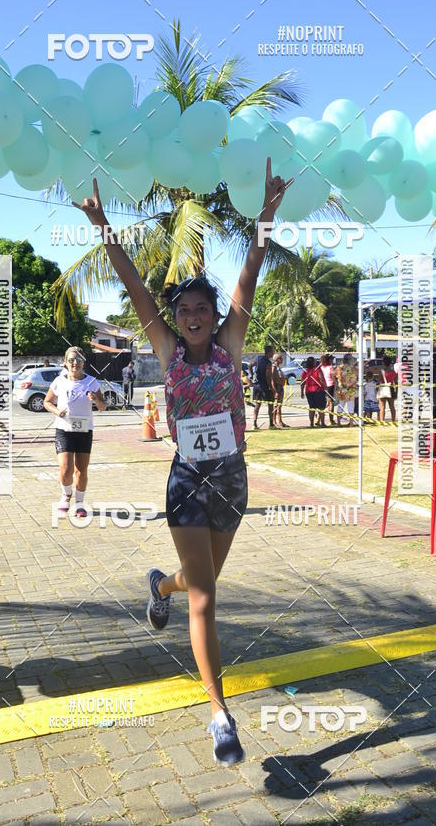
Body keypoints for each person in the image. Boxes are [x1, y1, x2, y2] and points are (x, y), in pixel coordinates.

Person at [73, 160, 293, 766]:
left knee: (200, 584)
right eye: (184, 309)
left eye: (203, 307)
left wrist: (265, 221)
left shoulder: (230, 345)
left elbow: (249, 274)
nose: (193, 315)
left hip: (232, 480)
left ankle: (157, 585)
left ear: (216, 315)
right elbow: (136, 286)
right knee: (206, 600)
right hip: (186, 483)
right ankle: (219, 714)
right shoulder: (167, 350)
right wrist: (102, 228)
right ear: (174, 319)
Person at [43, 347, 107, 518]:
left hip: (84, 430)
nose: (75, 363)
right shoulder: (59, 381)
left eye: (78, 360)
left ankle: (79, 503)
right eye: (71, 360)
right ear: (65, 362)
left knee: (81, 470)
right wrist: (57, 411)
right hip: (64, 429)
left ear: (83, 362)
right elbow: (47, 402)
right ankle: (66, 495)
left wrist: (95, 399)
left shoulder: (92, 382)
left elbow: (103, 406)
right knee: (65, 470)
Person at [252, 344, 276, 430]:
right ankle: (271, 424)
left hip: (256, 385)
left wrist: (252, 376)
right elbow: (268, 376)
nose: (274, 353)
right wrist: (272, 388)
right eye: (273, 351)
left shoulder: (258, 358)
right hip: (265, 387)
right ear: (269, 352)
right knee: (270, 405)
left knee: (257, 405)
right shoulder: (268, 363)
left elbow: (250, 366)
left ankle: (254, 424)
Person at [301, 357, 326, 426]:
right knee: (321, 407)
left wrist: (302, 392)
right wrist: (325, 388)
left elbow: (302, 383)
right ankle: (322, 423)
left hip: (308, 391)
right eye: (315, 361)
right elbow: (322, 379)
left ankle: (311, 423)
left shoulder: (305, 371)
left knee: (312, 408)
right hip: (318, 390)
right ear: (313, 362)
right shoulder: (317, 370)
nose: (316, 362)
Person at [335, 353, 358, 426]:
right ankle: (351, 423)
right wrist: (350, 384)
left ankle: (338, 422)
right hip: (351, 389)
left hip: (342, 389)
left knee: (341, 406)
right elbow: (355, 378)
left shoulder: (340, 367)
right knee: (351, 406)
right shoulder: (353, 368)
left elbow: (337, 377)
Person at [271, 353, 289, 428]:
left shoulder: (278, 367)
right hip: (276, 388)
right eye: (281, 358)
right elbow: (272, 380)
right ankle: (274, 421)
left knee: (279, 406)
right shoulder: (273, 367)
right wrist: (275, 391)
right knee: (275, 406)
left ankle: (280, 421)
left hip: (280, 387)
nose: (282, 360)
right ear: (277, 359)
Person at [378, 356, 397, 423]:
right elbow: (396, 382)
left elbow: (378, 380)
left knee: (382, 407)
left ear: (383, 362)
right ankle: (393, 420)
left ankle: (382, 421)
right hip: (391, 388)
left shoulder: (382, 371)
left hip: (383, 388)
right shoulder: (393, 372)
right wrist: (396, 391)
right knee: (392, 407)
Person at [320, 354, 336, 425]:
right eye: (331, 359)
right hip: (330, 386)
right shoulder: (330, 367)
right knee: (330, 403)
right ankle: (331, 420)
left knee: (325, 403)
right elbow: (333, 377)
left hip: (323, 386)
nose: (332, 360)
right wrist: (336, 384)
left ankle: (318, 419)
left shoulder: (321, 367)